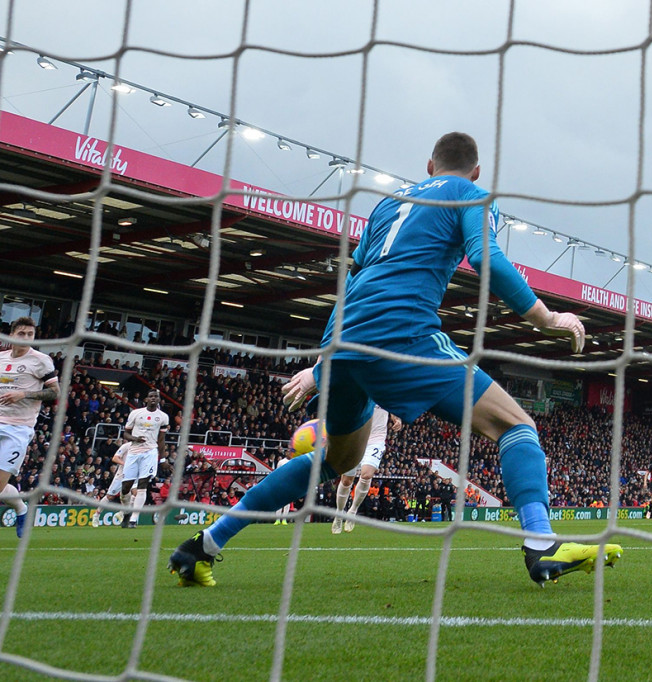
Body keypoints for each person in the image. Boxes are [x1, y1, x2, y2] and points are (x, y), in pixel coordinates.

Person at [169, 132, 622, 587]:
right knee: (516, 425)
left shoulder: (387, 205)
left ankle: (203, 545)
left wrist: (322, 365)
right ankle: (541, 543)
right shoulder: (470, 194)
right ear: (478, 171)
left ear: (428, 165)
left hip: (345, 340)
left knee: (337, 460)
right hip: (403, 333)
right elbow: (486, 259)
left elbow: (356, 282)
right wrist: (545, 316)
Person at [0, 317, 58, 538]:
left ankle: (21, 510)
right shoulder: (1, 358)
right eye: (22, 333)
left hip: (18, 429)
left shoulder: (41, 361)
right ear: (12, 334)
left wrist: (24, 394)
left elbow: (55, 393)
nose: (26, 338)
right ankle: (22, 509)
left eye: (30, 335)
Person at [331, 406, 402, 533]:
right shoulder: (357, 387)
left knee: (367, 475)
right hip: (354, 438)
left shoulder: (385, 389)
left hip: (376, 439)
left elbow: (392, 406)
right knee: (347, 480)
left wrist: (397, 419)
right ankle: (339, 514)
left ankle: (352, 511)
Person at [120, 389, 168, 529]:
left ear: (159, 399)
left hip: (150, 452)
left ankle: (134, 519)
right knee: (125, 488)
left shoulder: (163, 417)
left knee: (142, 484)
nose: (153, 398)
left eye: (156, 397)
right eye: (151, 396)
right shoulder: (136, 413)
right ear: (146, 399)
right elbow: (126, 434)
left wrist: (163, 459)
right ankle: (127, 512)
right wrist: (135, 439)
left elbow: (161, 439)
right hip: (134, 451)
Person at [92, 439, 134, 527]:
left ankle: (122, 512)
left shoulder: (143, 448)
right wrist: (125, 464)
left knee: (136, 494)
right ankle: (96, 515)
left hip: (134, 475)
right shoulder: (127, 446)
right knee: (110, 496)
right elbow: (115, 458)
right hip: (122, 474)